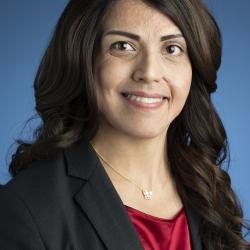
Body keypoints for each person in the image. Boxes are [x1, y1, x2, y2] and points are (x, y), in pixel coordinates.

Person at [0, 0, 249, 249]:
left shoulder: (210, 192)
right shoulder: (25, 209)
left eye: (172, 49)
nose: (149, 72)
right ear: (83, 58)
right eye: (123, 46)